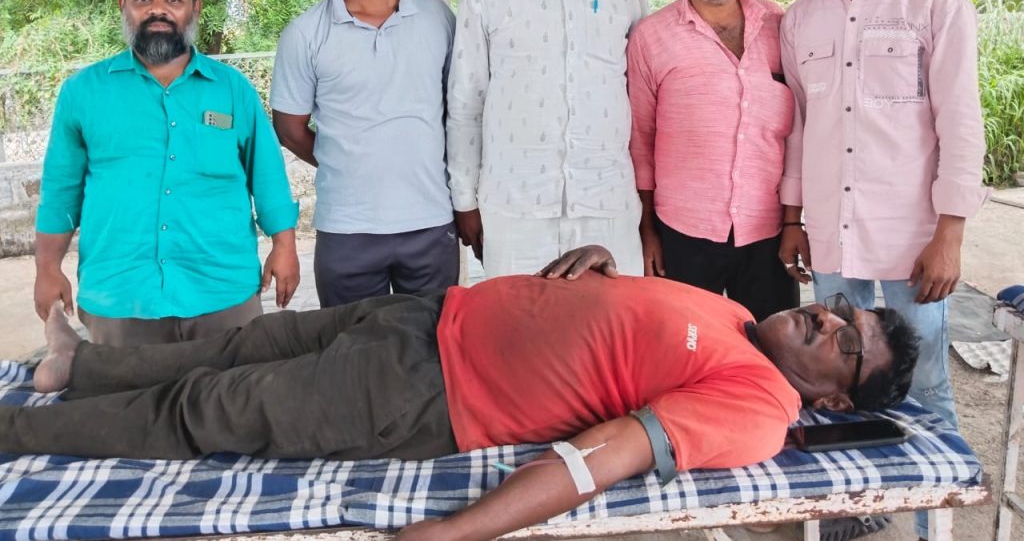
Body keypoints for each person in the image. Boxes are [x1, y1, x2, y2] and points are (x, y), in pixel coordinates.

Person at [4, 245, 919, 541]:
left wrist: (457, 531)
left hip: (424, 388)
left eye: (846, 344)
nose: (827, 320)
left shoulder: (760, 405)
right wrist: (602, 265)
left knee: (209, 408)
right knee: (238, 345)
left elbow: (609, 452)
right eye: (840, 309)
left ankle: (15, 431)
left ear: (834, 401)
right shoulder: (736, 314)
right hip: (428, 314)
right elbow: (628, 327)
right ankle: (72, 369)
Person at [777, 0, 990, 540]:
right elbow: (800, 125)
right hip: (832, 230)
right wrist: (793, 218)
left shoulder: (935, 3)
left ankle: (933, 526)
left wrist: (950, 231)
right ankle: (848, 516)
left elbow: (960, 122)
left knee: (923, 381)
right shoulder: (801, 19)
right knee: (833, 381)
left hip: (912, 236)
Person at [33, 0, 299, 346]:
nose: (158, 10)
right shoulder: (83, 92)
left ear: (195, 7)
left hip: (222, 291)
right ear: (123, 5)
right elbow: (60, 191)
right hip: (121, 297)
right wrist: (47, 268)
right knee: (125, 389)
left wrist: (285, 246)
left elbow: (267, 175)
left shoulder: (232, 89)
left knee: (233, 386)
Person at [446, 0, 649, 277]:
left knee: (614, 318)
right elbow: (466, 103)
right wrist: (465, 200)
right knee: (520, 320)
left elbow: (642, 99)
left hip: (607, 205)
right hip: (515, 210)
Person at [271, 0, 458, 307]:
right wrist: (345, 160)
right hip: (347, 228)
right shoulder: (305, 34)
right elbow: (289, 128)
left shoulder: (438, 19)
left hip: (430, 221)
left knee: (432, 339)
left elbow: (457, 113)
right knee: (352, 342)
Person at [627, 0, 798, 321]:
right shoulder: (651, 37)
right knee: (685, 347)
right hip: (682, 233)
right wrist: (646, 231)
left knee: (772, 348)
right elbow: (640, 143)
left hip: (768, 233)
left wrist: (795, 223)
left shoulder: (782, 28)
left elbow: (799, 132)